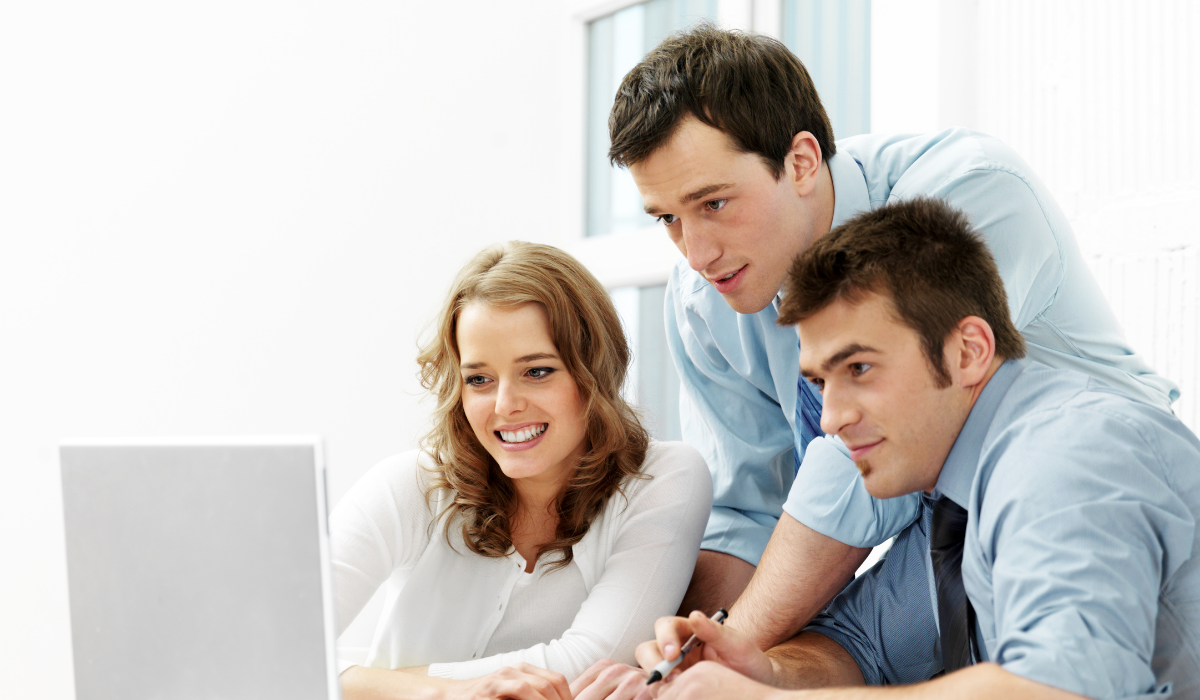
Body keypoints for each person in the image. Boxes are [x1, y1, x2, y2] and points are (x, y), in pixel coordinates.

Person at [606, 23, 1180, 638]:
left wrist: (737, 637)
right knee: (774, 665)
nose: (695, 253)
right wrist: (692, 651)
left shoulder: (964, 196)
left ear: (800, 162)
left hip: (1097, 497)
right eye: (668, 219)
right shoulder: (705, 299)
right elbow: (747, 513)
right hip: (936, 531)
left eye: (714, 204)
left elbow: (889, 428)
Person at [595, 198, 1200, 699]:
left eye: (859, 368)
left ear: (968, 351)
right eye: (820, 382)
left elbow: (1057, 687)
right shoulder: (955, 496)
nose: (831, 419)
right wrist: (763, 672)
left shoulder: (1063, 460)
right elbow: (858, 647)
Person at [330, 242, 713, 700]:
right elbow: (274, 649)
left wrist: (373, 682)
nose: (505, 405)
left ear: (594, 369)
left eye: (537, 372)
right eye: (479, 379)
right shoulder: (411, 486)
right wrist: (446, 694)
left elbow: (591, 662)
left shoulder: (663, 478)